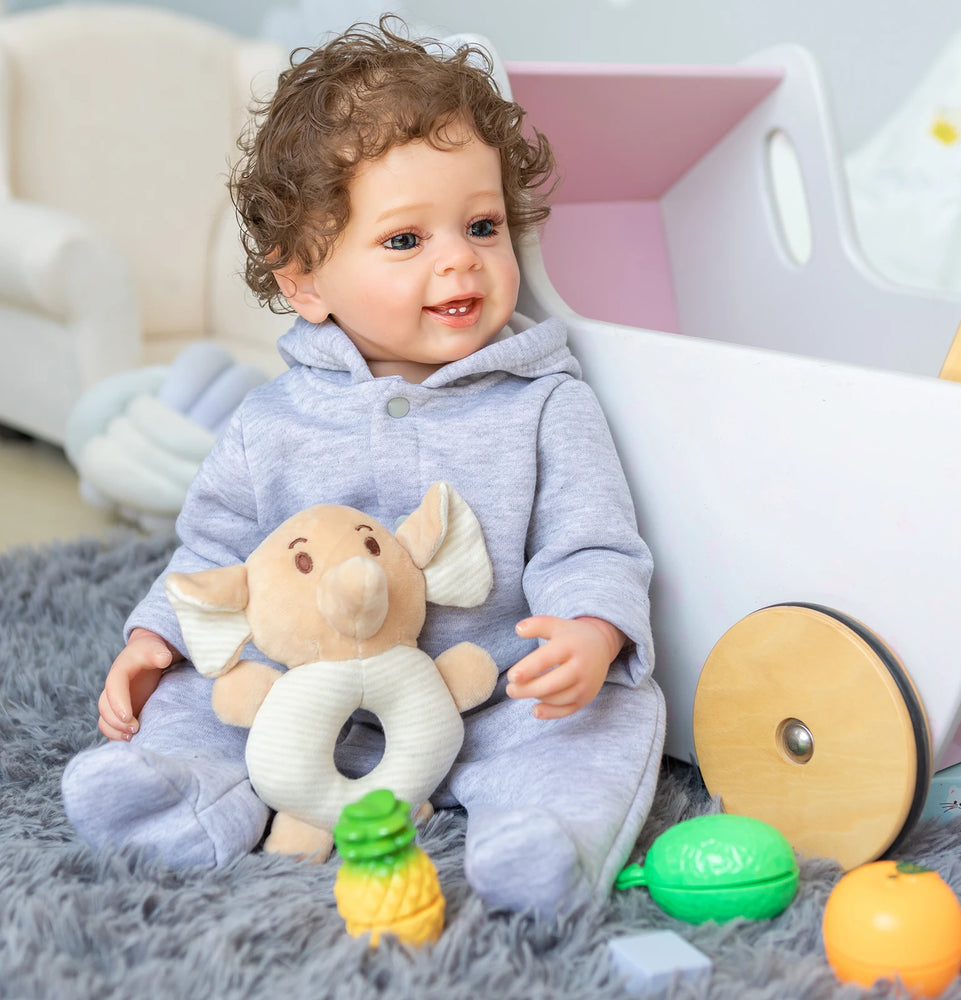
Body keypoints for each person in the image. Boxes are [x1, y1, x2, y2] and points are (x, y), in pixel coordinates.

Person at [61, 17, 666, 917]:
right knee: (195, 695)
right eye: (405, 241)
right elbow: (214, 551)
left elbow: (593, 542)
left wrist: (590, 631)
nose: (460, 259)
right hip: (296, 699)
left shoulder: (544, 403)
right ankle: (176, 794)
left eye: (482, 225)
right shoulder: (272, 420)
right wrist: (157, 637)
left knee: (606, 717)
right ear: (304, 281)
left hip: (490, 697)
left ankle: (543, 840)